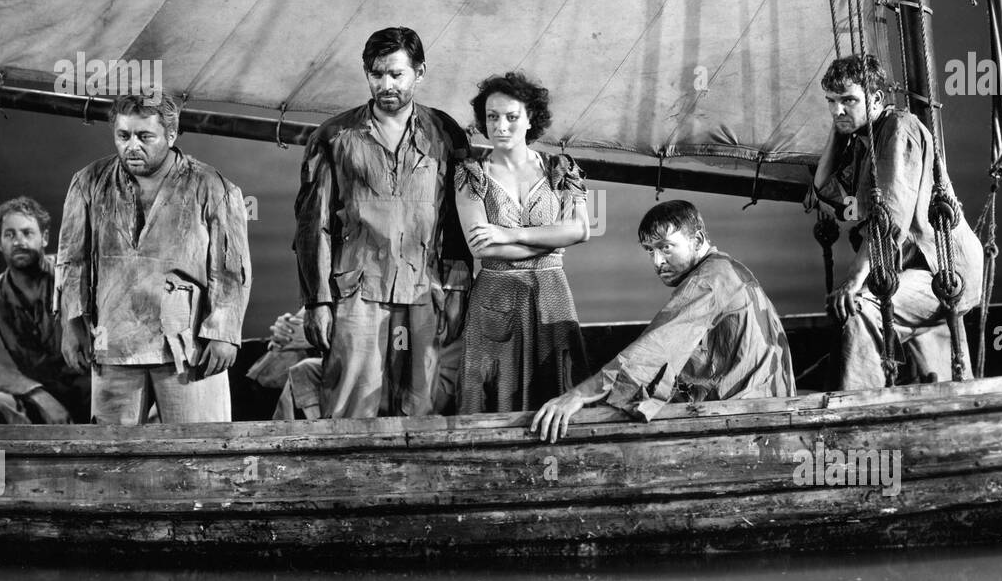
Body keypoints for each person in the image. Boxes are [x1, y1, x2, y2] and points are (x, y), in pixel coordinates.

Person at [293, 26, 471, 418]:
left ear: (420, 72)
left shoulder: (445, 133)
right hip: (355, 291)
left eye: (397, 74)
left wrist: (457, 288)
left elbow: (458, 219)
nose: (386, 85)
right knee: (350, 405)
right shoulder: (334, 136)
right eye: (377, 75)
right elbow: (312, 226)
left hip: (425, 288)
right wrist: (317, 301)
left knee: (421, 405)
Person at [56, 95, 251, 424]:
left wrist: (223, 332)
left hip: (187, 347)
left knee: (197, 450)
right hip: (113, 341)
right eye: (123, 135)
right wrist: (71, 322)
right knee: (112, 458)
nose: (132, 146)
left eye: (145, 136)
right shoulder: (88, 182)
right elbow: (72, 259)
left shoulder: (213, 187)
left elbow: (230, 270)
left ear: (171, 135)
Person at [531, 201, 795, 442]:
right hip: (766, 405)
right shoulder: (723, 267)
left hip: (752, 417)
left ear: (698, 239)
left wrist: (578, 395)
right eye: (650, 251)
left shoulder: (709, 281)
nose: (657, 262)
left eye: (665, 248)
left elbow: (654, 348)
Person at [807, 53, 983, 389]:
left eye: (848, 101)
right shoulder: (862, 142)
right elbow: (826, 190)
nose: (836, 110)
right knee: (944, 388)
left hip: (943, 272)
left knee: (860, 308)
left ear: (875, 99)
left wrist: (854, 279)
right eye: (830, 102)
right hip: (908, 269)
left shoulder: (900, 129)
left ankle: (859, 417)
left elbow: (889, 219)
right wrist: (839, 128)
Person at [455, 73, 590, 413]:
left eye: (511, 117)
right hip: (495, 302)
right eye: (492, 117)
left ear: (530, 118)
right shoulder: (469, 174)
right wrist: (554, 241)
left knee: (558, 392)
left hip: (553, 297)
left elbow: (584, 229)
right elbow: (483, 248)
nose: (500, 126)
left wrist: (511, 234)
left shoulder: (564, 167)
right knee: (495, 403)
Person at [0, 196, 90, 424]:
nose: (19, 241)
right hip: (29, 403)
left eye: (27, 232)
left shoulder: (72, 278)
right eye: (9, 234)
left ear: (44, 238)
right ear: (0, 243)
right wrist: (42, 398)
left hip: (85, 392)